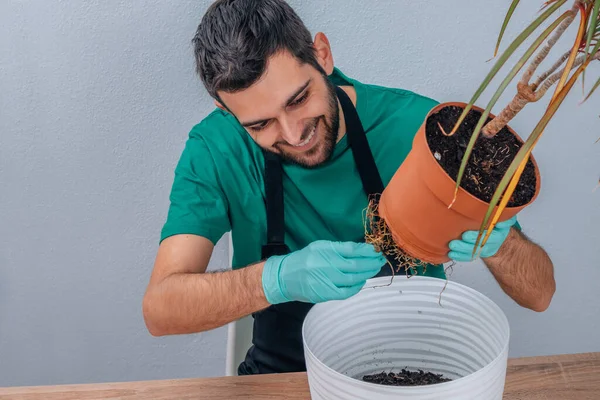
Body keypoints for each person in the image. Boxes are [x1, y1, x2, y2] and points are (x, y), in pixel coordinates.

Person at [142, 0, 556, 375]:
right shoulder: (215, 150)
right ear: (225, 109)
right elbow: (161, 310)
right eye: (260, 124)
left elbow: (540, 295)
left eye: (298, 99)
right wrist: (276, 280)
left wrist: (500, 246)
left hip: (415, 371)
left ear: (322, 54)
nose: (293, 132)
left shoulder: (423, 129)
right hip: (285, 378)